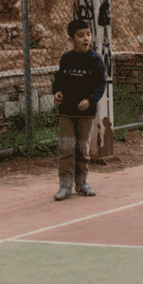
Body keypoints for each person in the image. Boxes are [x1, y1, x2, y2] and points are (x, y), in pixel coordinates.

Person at [52, 19, 106, 201]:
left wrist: (89, 100)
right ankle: (65, 186)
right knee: (66, 149)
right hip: (66, 112)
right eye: (81, 35)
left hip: (86, 114)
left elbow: (100, 85)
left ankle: (82, 184)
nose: (86, 38)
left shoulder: (96, 60)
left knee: (83, 150)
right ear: (72, 38)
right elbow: (58, 80)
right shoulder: (66, 58)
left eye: (88, 34)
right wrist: (57, 92)